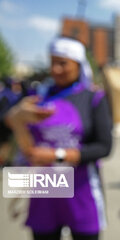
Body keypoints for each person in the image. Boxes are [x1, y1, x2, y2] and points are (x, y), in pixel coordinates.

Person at [2, 37, 113, 240]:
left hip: (81, 186)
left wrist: (56, 155)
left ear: (78, 64)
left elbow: (104, 147)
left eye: (63, 63)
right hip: (43, 184)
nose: (55, 69)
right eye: (52, 62)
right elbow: (8, 125)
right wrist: (15, 116)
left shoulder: (92, 98)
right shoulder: (37, 96)